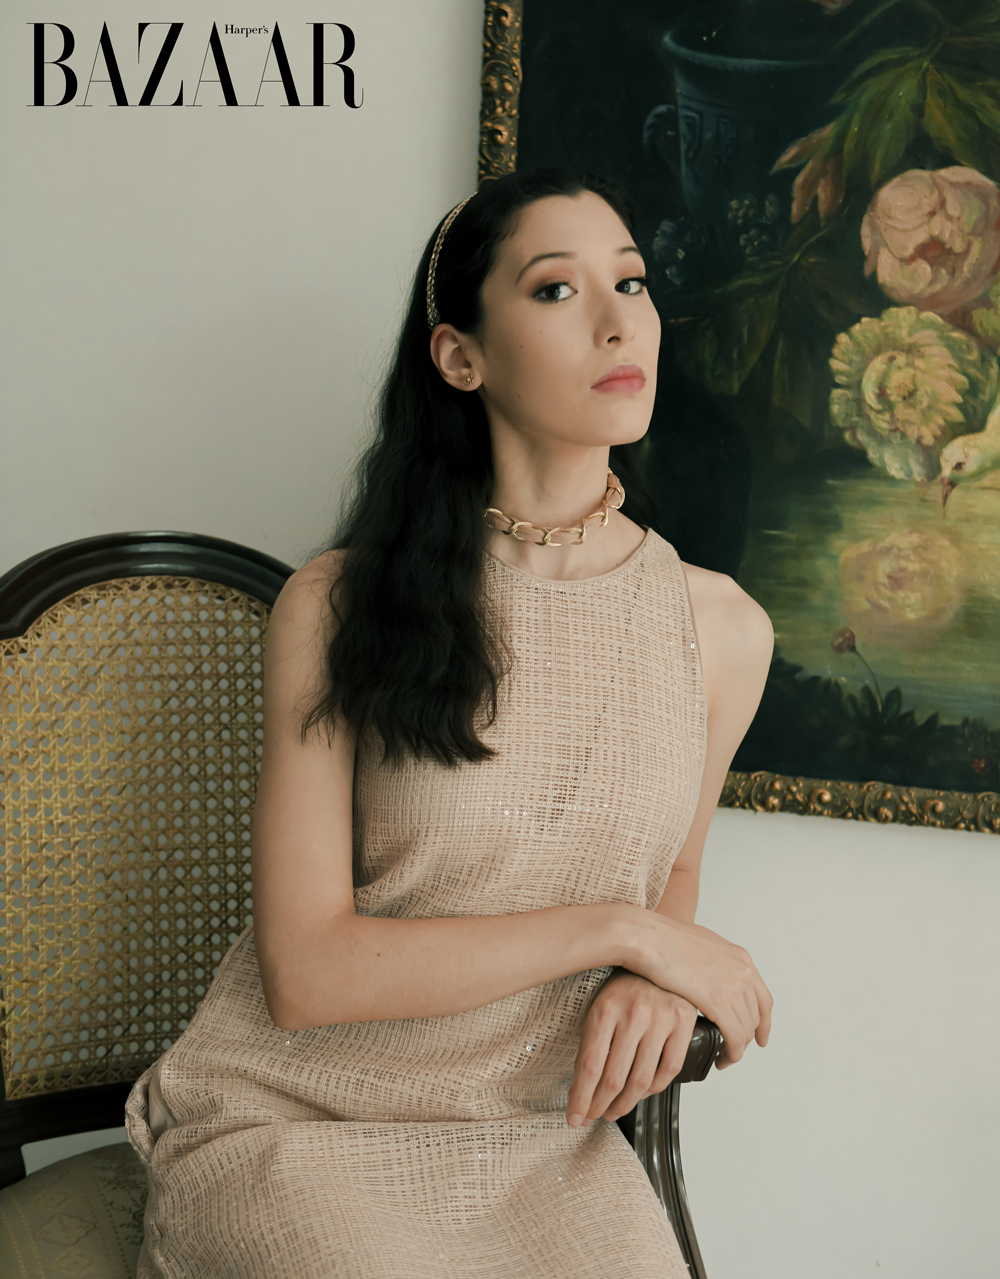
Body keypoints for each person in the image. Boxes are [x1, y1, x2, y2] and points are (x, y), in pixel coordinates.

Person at [126, 166, 774, 1278]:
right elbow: (309, 973)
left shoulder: (720, 630)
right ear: (459, 356)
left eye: (632, 281)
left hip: (538, 1138)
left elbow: (671, 872)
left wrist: (654, 970)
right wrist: (621, 934)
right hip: (297, 1124)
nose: (620, 320)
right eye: (557, 290)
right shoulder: (338, 605)